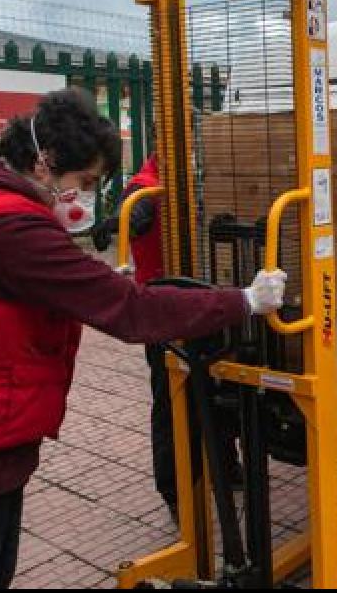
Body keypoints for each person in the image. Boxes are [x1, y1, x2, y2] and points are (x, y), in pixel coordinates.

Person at [0, 88, 285, 589]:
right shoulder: (8, 229)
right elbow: (130, 313)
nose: (87, 197)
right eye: (85, 182)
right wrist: (242, 300)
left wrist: (90, 281)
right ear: (45, 162)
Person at [92, 154, 244, 519]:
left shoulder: (207, 176)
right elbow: (139, 210)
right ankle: (176, 491)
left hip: (208, 304)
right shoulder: (148, 184)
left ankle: (226, 466)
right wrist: (120, 223)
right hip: (165, 314)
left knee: (219, 389)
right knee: (171, 401)